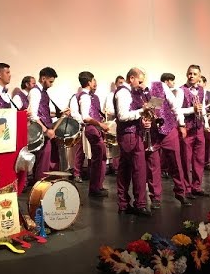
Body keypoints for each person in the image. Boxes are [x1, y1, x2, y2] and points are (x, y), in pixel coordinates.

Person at [143, 78, 191, 208]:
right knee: (153, 165)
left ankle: (181, 193)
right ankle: (155, 197)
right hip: (151, 134)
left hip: (168, 129)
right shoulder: (133, 93)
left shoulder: (159, 86)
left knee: (176, 162)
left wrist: (181, 124)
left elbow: (174, 105)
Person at [114, 67, 151, 216]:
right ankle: (140, 204)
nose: (141, 85)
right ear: (131, 78)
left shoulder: (131, 93)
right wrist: (141, 112)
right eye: (140, 81)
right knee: (139, 169)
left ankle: (123, 204)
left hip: (130, 134)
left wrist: (144, 120)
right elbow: (123, 116)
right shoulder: (123, 92)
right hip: (130, 135)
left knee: (125, 169)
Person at [28, 67, 70, 181]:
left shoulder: (43, 92)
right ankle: (40, 188)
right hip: (41, 132)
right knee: (43, 161)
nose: (51, 84)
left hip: (47, 129)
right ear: (43, 78)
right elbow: (32, 115)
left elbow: (44, 113)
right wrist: (46, 130)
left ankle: (49, 186)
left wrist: (60, 114)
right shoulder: (35, 91)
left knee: (50, 159)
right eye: (50, 81)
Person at [176, 65, 209, 197]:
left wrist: (206, 122)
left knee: (199, 159)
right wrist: (191, 110)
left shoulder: (202, 90)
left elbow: (203, 108)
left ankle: (197, 186)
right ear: (186, 74)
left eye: (195, 74)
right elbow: (177, 110)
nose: (192, 76)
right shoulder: (181, 90)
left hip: (199, 127)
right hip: (187, 128)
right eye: (190, 73)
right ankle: (186, 188)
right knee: (186, 159)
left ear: (199, 76)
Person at [77, 71, 109, 197]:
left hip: (95, 128)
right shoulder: (84, 96)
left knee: (101, 157)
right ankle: (95, 188)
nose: (95, 83)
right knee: (98, 158)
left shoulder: (91, 96)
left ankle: (98, 186)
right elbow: (85, 117)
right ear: (89, 82)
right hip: (92, 128)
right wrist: (100, 125)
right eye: (94, 80)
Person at [199, 76, 210, 171]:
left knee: (208, 141)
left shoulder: (209, 93)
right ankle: (196, 163)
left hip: (207, 120)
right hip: (198, 120)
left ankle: (206, 163)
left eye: (200, 81)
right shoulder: (194, 93)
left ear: (205, 83)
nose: (198, 83)